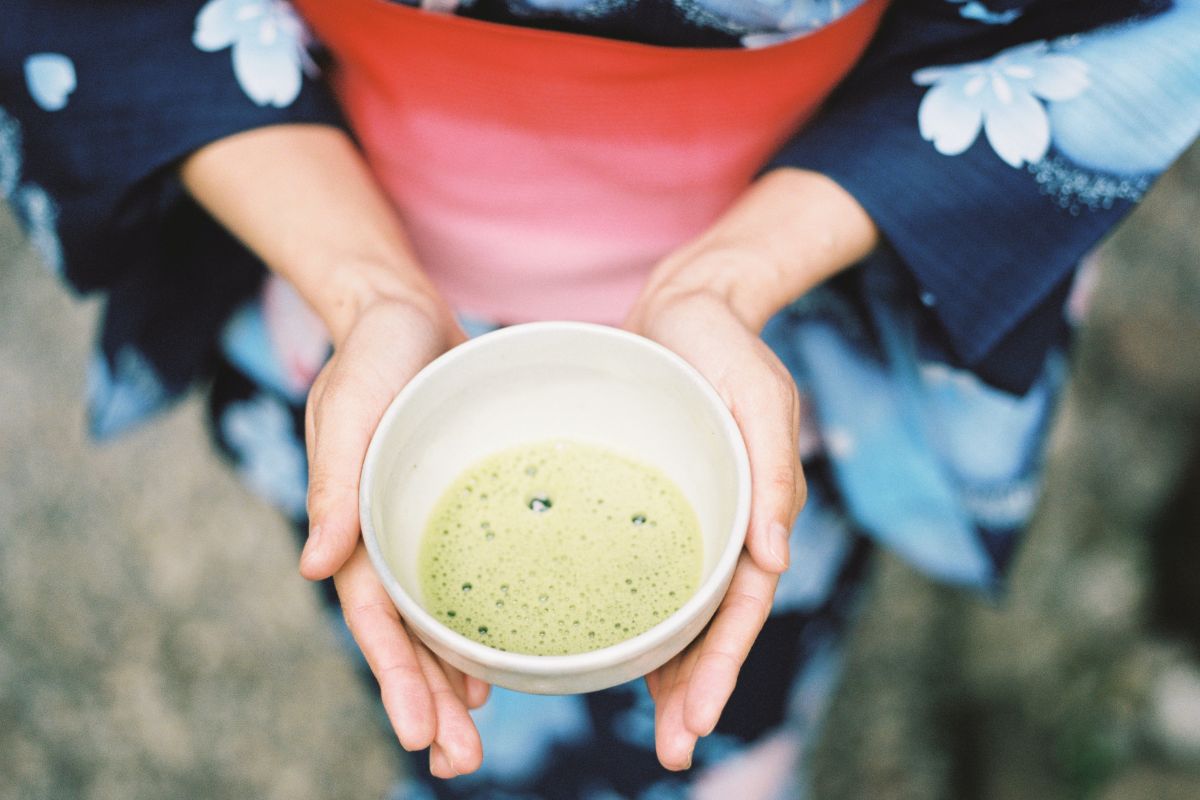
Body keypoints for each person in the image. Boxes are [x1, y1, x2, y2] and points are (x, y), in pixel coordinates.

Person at [4, 1, 1199, 797]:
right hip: (347, 298)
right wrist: (367, 290)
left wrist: (730, 278)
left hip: (775, 333)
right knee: (442, 698)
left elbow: (1111, 25)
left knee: (732, 699)